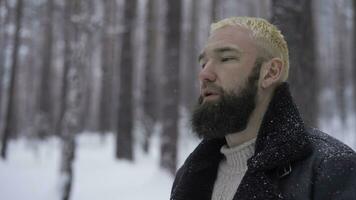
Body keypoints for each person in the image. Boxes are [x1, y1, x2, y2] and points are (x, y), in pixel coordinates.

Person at [170, 17, 356, 200]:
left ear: (271, 72)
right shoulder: (189, 176)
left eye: (226, 58)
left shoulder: (328, 168)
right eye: (203, 63)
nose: (204, 74)